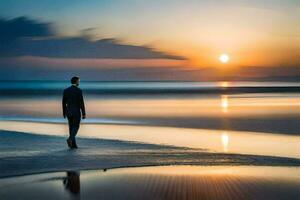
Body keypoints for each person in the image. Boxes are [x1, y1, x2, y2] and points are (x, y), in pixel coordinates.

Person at [62, 76, 86, 148]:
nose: (79, 82)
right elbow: (81, 103)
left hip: (68, 111)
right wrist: (84, 113)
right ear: (76, 82)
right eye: (79, 81)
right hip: (76, 112)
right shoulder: (79, 91)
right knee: (76, 127)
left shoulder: (66, 90)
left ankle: (73, 145)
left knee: (71, 128)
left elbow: (63, 103)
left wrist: (64, 112)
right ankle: (70, 139)